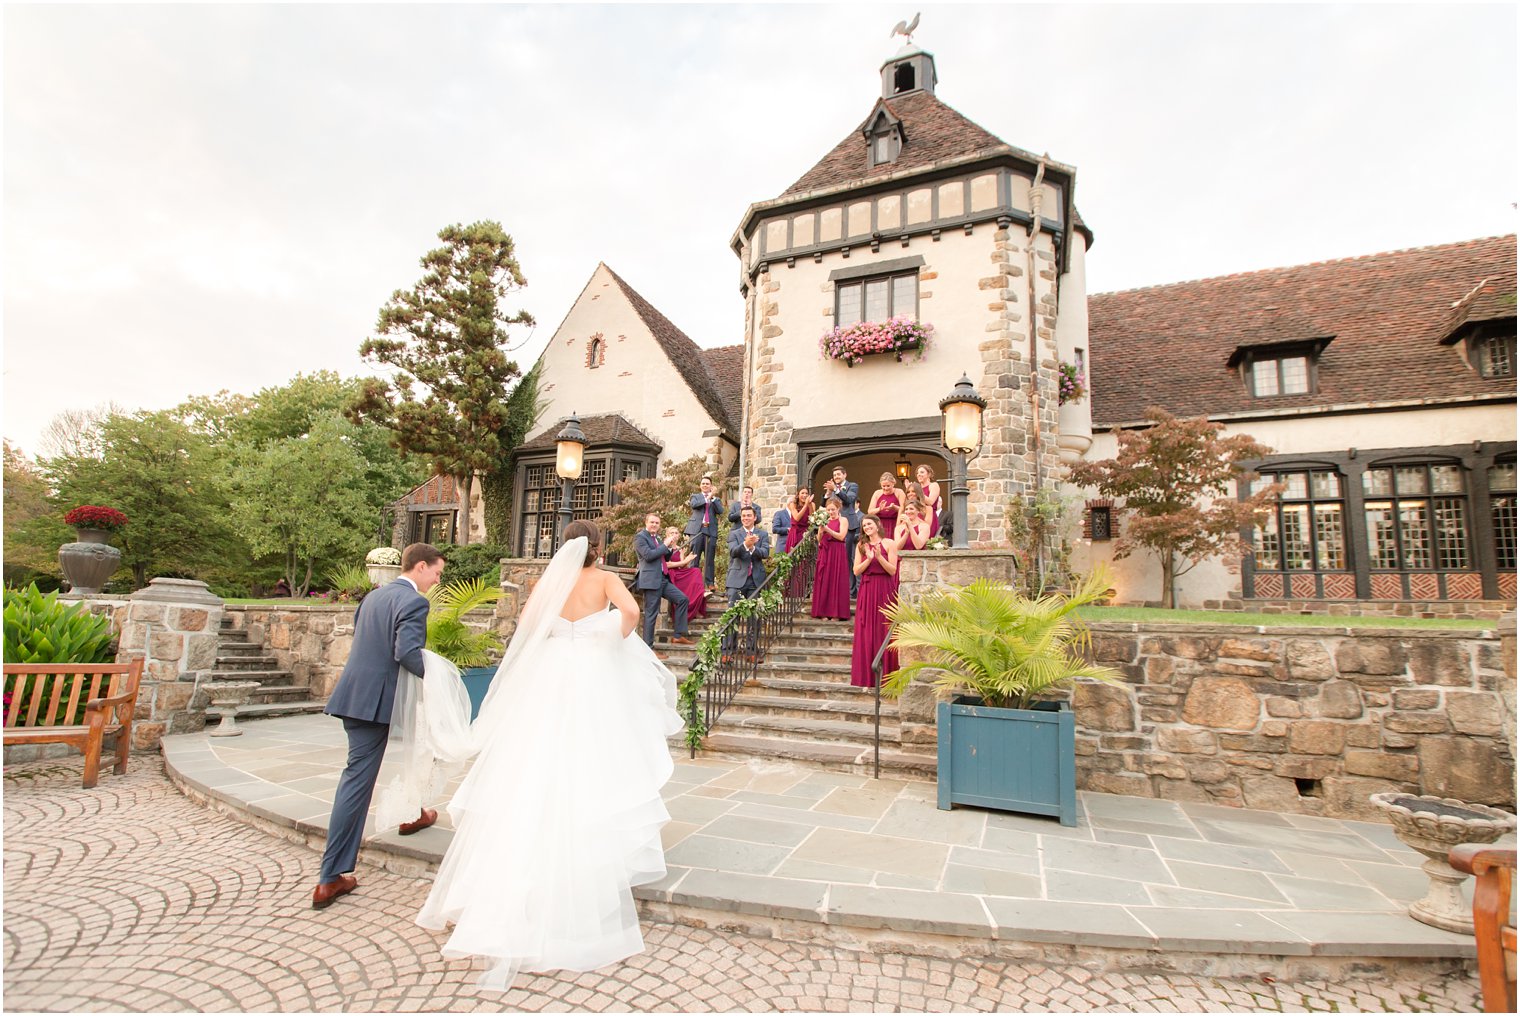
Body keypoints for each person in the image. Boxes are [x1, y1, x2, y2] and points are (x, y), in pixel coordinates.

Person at [411, 521, 684, 989]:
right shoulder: (603, 579)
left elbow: (528, 627)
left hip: (551, 673)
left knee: (532, 759)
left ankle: (509, 873)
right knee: (594, 755)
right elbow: (633, 614)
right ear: (596, 547)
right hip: (591, 674)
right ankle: (588, 858)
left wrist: (561, 637)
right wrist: (605, 639)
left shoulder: (547, 583)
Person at [313, 542, 445, 910]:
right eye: (436, 573)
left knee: (423, 747)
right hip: (378, 703)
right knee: (357, 781)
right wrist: (438, 676)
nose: (437, 580)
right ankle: (330, 877)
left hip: (356, 694)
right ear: (420, 567)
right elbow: (405, 651)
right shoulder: (415, 602)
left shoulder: (372, 598)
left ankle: (415, 812)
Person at [851, 516, 899, 688]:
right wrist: (869, 559)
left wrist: (879, 557)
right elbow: (856, 570)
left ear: (878, 525)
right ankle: (867, 678)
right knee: (867, 630)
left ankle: (887, 677)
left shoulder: (890, 543)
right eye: (864, 525)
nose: (867, 527)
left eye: (869, 524)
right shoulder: (861, 546)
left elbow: (892, 570)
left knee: (884, 628)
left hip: (885, 589)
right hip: (867, 590)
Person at [634, 513, 693, 647]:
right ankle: (648, 647)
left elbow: (665, 558)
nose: (654, 525)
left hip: (663, 579)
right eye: (652, 522)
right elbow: (649, 556)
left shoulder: (658, 538)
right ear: (646, 523)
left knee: (682, 599)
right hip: (650, 580)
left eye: (657, 523)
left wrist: (670, 547)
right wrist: (665, 544)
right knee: (651, 614)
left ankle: (678, 636)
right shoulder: (640, 537)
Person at [722, 506, 769, 661]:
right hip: (736, 580)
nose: (746, 518)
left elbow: (765, 553)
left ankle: (751, 651)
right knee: (732, 615)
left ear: (755, 517)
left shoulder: (762, 534)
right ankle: (728, 651)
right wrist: (745, 545)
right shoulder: (734, 534)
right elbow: (733, 552)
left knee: (754, 617)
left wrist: (753, 547)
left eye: (749, 515)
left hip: (755, 580)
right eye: (743, 516)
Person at [810, 496, 851, 621]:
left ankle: (836, 613)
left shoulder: (843, 520)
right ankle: (822, 612)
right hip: (825, 552)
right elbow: (818, 539)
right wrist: (821, 531)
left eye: (833, 509)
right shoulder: (825, 520)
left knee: (836, 580)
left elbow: (841, 536)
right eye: (828, 510)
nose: (831, 512)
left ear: (838, 508)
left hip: (837, 552)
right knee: (824, 579)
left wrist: (828, 529)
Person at [663, 526, 708, 625]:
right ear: (667, 535)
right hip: (671, 573)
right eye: (672, 533)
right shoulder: (664, 546)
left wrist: (687, 559)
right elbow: (667, 564)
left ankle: (700, 594)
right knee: (692, 573)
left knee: (696, 571)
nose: (674, 535)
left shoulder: (679, 548)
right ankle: (698, 597)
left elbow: (682, 565)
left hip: (679, 572)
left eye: (676, 533)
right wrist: (684, 561)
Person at [686, 476, 721, 594]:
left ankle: (710, 583)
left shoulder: (716, 499)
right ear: (700, 485)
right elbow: (694, 505)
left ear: (711, 486)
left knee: (709, 558)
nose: (705, 485)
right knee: (694, 556)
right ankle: (692, 581)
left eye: (707, 484)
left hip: (710, 531)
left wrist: (713, 498)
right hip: (697, 530)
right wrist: (708, 497)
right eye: (703, 483)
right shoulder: (695, 496)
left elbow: (720, 511)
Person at [831, 467, 862, 597]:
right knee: (836, 559)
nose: (836, 476)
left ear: (845, 474)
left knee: (847, 558)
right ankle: (838, 589)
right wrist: (828, 493)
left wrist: (836, 490)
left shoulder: (852, 486)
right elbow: (828, 504)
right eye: (834, 475)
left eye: (838, 474)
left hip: (848, 526)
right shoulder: (833, 489)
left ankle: (850, 591)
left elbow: (849, 500)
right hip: (834, 526)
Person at [868, 472, 903, 542]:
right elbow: (870, 511)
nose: (886, 488)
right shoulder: (877, 493)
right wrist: (879, 509)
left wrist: (895, 507)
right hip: (880, 524)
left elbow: (904, 509)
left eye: (888, 486)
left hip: (895, 522)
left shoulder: (899, 492)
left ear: (893, 483)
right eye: (883, 486)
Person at [917, 464, 943, 537]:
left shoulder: (933, 485)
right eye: (917, 473)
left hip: (929, 516)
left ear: (929, 474)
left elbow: (931, 502)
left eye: (922, 472)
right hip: (917, 517)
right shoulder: (917, 488)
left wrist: (918, 491)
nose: (919, 474)